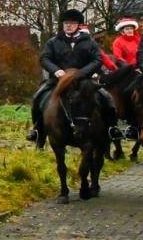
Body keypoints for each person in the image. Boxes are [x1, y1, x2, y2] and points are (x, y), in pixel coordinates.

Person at [27, 9, 122, 147]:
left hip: (84, 81)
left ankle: (112, 129)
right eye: (66, 23)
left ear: (79, 25)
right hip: (59, 80)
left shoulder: (90, 42)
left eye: (72, 23)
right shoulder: (53, 42)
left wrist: (81, 73)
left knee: (107, 98)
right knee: (38, 97)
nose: (68, 26)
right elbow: (45, 58)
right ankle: (37, 130)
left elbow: (97, 60)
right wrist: (56, 70)